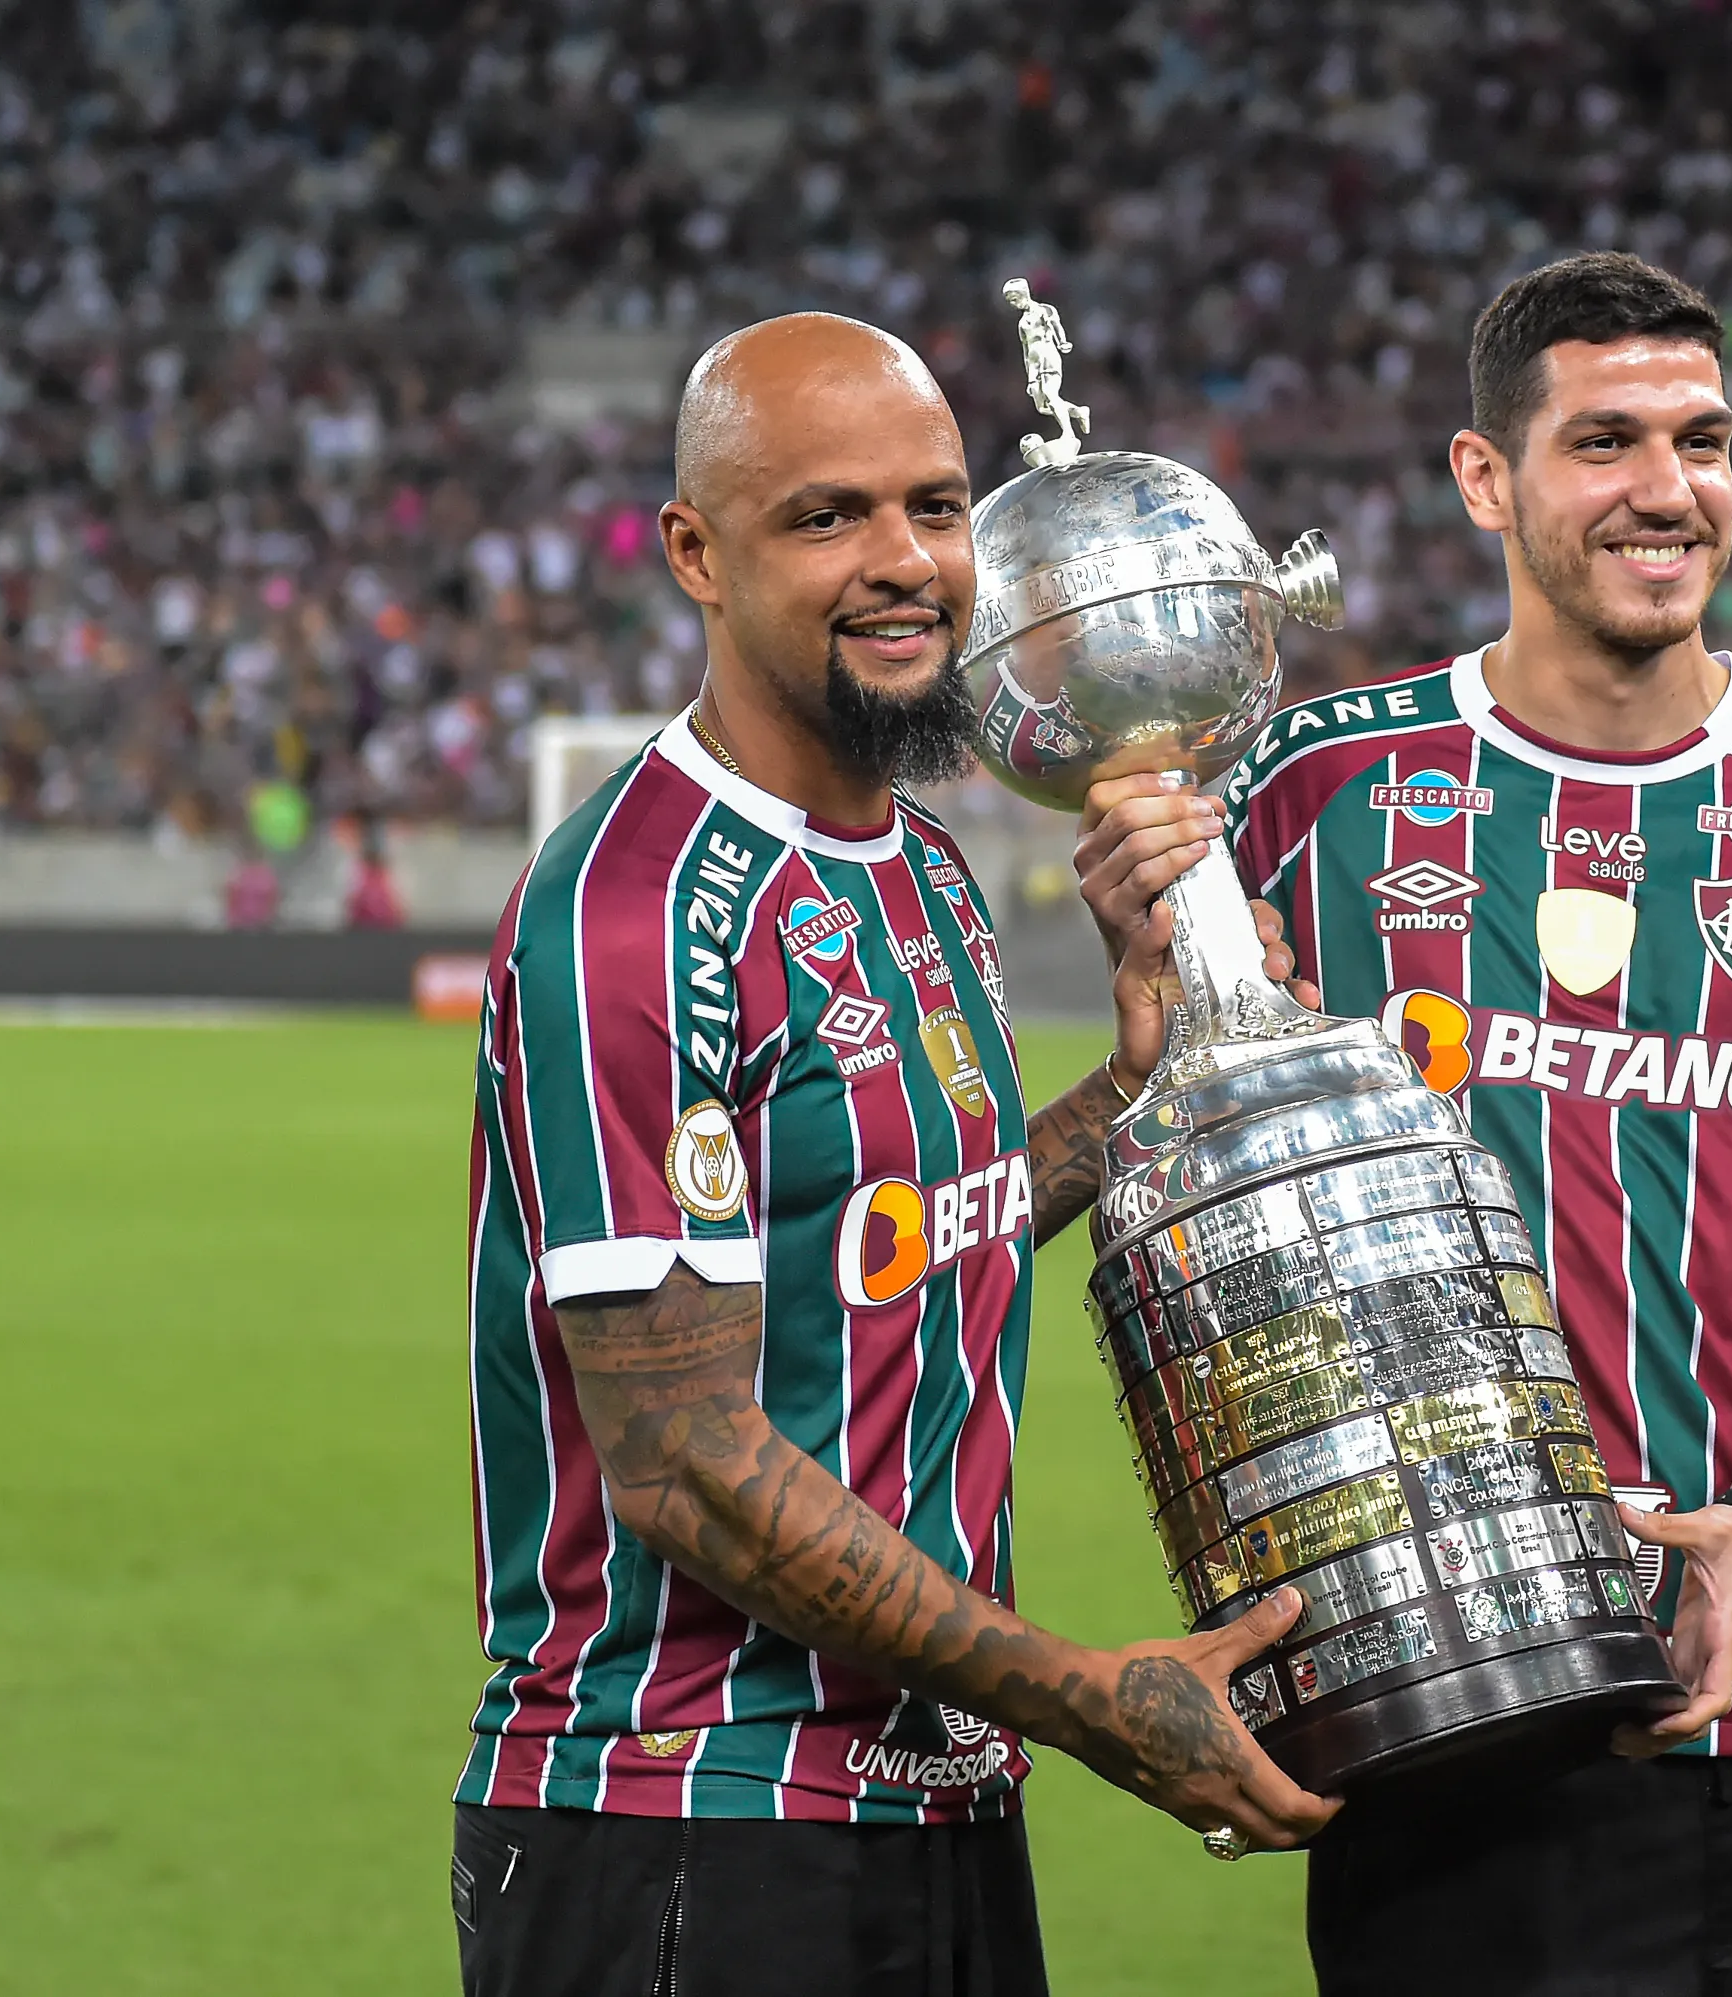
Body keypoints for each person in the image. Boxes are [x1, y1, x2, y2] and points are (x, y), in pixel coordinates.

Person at [1077, 253, 1732, 1994]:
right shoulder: (1312, 792)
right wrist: (1146, 1000)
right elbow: (1188, 1182)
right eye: (1607, 444)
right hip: (1440, 1719)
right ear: (1486, 478)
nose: (1669, 489)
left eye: (1702, 441)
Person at [454, 313, 1333, 1997]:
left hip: (935, 1807)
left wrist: (1129, 1088)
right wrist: (1083, 1695)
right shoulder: (632, 912)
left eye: (936, 507)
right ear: (697, 555)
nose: (906, 562)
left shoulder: (921, 861)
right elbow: (686, 1462)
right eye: (826, 516)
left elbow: (925, 1227)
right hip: (687, 1821)